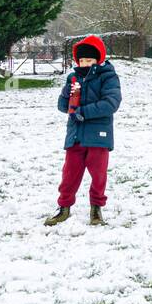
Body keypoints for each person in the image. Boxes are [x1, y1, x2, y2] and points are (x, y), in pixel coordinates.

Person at [45, 35, 122, 227]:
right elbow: (62, 105)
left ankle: (96, 208)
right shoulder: (73, 77)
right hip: (76, 134)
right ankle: (63, 208)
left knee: (98, 174)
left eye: (89, 60)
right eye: (82, 60)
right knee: (69, 173)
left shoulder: (108, 76)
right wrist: (69, 100)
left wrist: (83, 112)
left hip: (99, 136)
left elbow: (111, 103)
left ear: (98, 59)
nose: (85, 63)